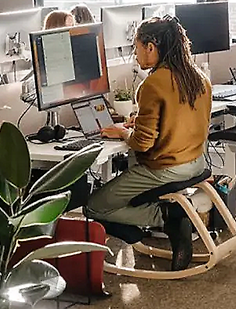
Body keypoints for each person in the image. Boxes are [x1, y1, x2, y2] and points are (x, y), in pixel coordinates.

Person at [86, 15, 212, 271]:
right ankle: (166, 217)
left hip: (166, 168)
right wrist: (140, 121)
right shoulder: (198, 77)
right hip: (196, 162)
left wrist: (123, 133)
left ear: (151, 47)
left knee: (93, 206)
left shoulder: (153, 84)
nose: (135, 54)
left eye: (136, 47)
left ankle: (166, 216)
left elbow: (142, 144)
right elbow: (180, 119)